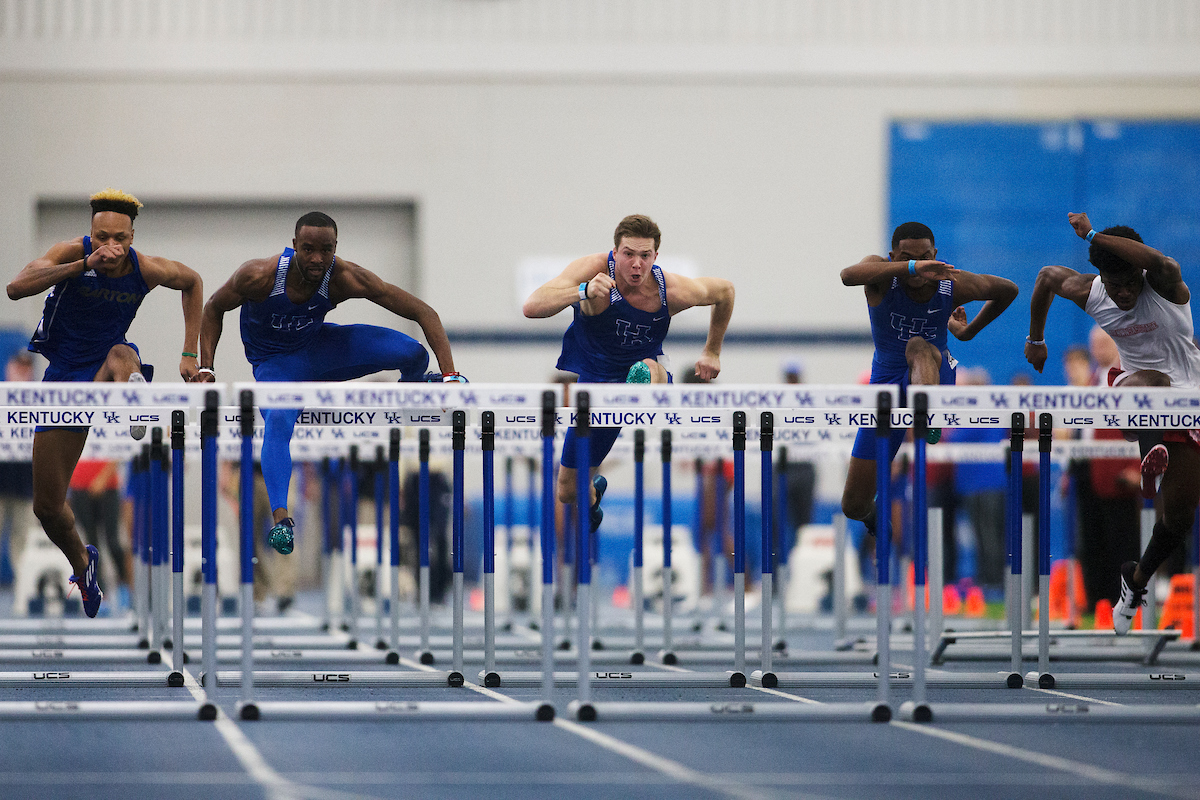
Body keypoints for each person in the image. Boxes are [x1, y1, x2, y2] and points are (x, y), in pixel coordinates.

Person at [200, 211, 462, 555]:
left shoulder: (345, 277)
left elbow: (424, 312)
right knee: (277, 419)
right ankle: (282, 518)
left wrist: (451, 374)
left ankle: (414, 393)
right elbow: (213, 308)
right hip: (275, 365)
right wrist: (205, 367)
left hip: (322, 349)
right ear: (294, 246)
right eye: (308, 249)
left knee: (412, 353)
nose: (317, 259)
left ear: (336, 248)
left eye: (327, 250)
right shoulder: (259, 276)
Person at [6, 188, 204, 618]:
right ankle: (83, 563)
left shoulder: (144, 269)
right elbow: (15, 288)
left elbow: (192, 281)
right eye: (101, 237)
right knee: (46, 507)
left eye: (119, 238)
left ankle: (137, 408)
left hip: (107, 365)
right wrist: (81, 265)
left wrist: (191, 352)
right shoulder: (70, 253)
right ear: (90, 233)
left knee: (121, 353)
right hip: (63, 379)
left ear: (132, 237)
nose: (110, 247)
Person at [1026, 212, 1200, 633]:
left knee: (1178, 520)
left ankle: (1135, 580)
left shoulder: (1165, 283)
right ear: (1100, 276)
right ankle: (1149, 448)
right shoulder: (1093, 290)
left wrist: (1092, 233)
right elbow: (1047, 277)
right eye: (1113, 284)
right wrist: (1036, 338)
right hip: (1131, 393)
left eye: (1129, 284)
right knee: (1147, 380)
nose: (1122, 294)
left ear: (1141, 272)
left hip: (1188, 401)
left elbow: (1160, 262)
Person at [522, 214, 734, 529]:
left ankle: (647, 379)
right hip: (598, 387)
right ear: (615, 252)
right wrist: (581, 290)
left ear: (655, 257)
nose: (636, 264)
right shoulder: (592, 268)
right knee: (567, 491)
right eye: (628, 254)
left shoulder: (670, 290)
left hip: (646, 373)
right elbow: (532, 306)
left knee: (644, 370)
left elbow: (725, 292)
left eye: (645, 256)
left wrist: (712, 350)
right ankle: (593, 496)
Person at [839, 221, 1018, 542]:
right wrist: (910, 267)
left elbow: (1008, 291)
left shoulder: (952, 283)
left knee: (918, 347)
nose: (920, 272)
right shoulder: (881, 276)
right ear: (893, 255)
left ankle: (928, 416)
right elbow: (847, 276)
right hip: (886, 385)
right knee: (852, 505)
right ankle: (874, 514)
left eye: (926, 259)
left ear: (936, 255)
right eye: (909, 259)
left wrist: (968, 331)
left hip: (934, 372)